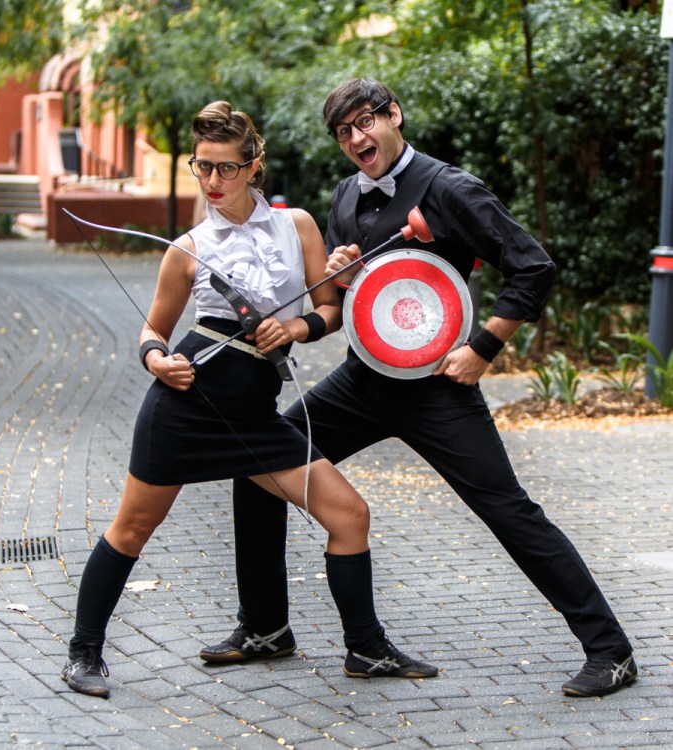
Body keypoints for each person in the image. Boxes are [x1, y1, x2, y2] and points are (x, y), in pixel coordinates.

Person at [201, 79, 638, 699]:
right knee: (260, 464)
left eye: (365, 122)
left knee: (508, 510)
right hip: (362, 380)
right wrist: (341, 272)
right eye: (344, 131)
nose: (357, 138)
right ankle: (266, 627)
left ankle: (611, 651)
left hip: (437, 387)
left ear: (393, 116)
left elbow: (532, 265)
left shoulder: (449, 187)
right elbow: (356, 295)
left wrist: (483, 349)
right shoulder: (346, 195)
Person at [61, 100, 439, 699]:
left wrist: (294, 330)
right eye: (202, 167)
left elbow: (330, 310)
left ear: (254, 165)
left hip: (257, 418)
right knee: (132, 528)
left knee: (349, 515)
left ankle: (365, 650)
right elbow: (152, 330)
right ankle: (84, 653)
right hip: (186, 410)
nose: (213, 182)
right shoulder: (186, 247)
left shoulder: (299, 228)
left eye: (226, 168)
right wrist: (157, 360)